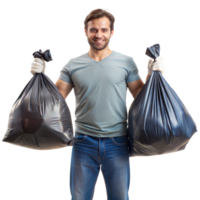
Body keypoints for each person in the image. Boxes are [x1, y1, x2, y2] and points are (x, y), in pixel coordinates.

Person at [29, 7, 167, 200]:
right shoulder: (72, 65)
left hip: (118, 143)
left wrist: (153, 74)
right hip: (83, 143)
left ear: (113, 32)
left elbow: (140, 96)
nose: (98, 34)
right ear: (84, 30)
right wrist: (41, 76)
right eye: (93, 29)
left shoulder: (126, 62)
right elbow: (56, 98)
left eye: (104, 30)